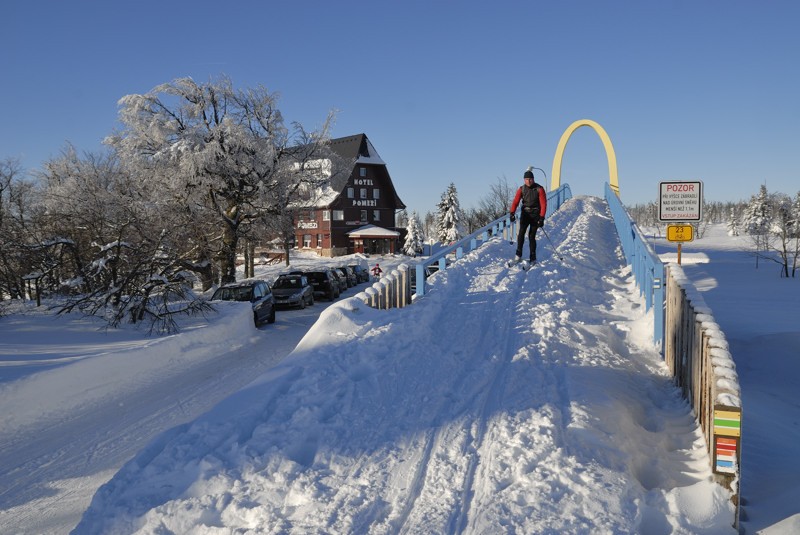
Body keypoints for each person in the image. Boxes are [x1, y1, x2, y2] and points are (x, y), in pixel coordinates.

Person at [509, 166, 547, 264]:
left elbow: (543, 204)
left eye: (530, 179)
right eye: (526, 179)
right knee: (521, 233)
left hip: (535, 215)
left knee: (531, 236)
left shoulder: (539, 189)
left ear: (533, 179)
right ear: (524, 180)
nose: (528, 181)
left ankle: (533, 257)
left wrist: (542, 218)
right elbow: (515, 202)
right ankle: (518, 255)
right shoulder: (521, 189)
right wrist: (512, 213)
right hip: (525, 214)